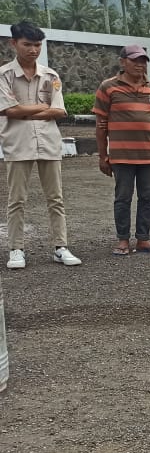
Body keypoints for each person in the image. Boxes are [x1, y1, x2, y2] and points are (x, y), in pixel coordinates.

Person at [0, 20, 81, 269]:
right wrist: (39, 108)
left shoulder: (51, 75)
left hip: (48, 142)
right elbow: (8, 110)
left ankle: (61, 247)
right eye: (27, 44)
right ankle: (16, 249)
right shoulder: (4, 75)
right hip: (17, 143)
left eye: (37, 44)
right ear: (14, 43)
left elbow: (59, 111)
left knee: (55, 197)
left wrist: (23, 111)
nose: (33, 50)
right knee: (17, 199)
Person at [93, 45, 150, 256]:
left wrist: (148, 139)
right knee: (123, 198)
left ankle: (144, 239)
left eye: (143, 60)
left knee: (147, 198)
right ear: (123, 61)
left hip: (149, 155)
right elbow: (101, 126)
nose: (140, 64)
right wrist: (103, 156)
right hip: (121, 155)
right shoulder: (108, 87)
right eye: (135, 60)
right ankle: (123, 240)